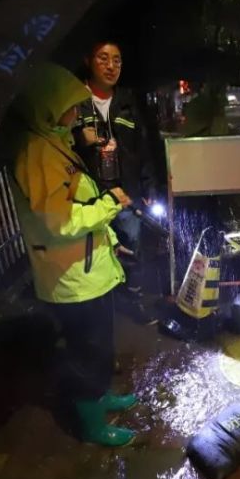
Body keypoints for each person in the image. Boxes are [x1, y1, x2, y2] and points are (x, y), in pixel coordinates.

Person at [8, 62, 137, 447]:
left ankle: (99, 396)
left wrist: (108, 237)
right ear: (49, 104)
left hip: (86, 266)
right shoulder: (36, 152)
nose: (76, 111)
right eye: (70, 104)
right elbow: (59, 221)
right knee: (87, 350)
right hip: (71, 276)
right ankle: (92, 425)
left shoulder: (52, 140)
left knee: (98, 346)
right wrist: (109, 205)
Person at [73, 41, 159, 323]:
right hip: (90, 196)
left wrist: (148, 187)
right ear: (88, 60)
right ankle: (100, 310)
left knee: (132, 248)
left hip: (127, 194)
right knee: (94, 252)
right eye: (103, 58)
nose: (111, 66)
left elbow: (143, 146)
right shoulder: (74, 100)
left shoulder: (127, 101)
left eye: (117, 60)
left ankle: (132, 300)